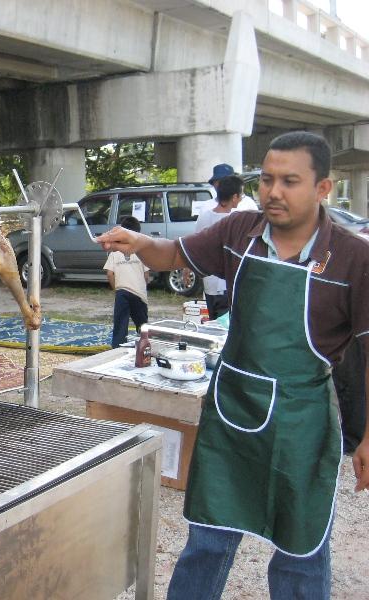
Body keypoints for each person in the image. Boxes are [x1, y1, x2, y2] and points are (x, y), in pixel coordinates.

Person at [97, 131, 369, 599]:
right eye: (266, 180)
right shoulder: (238, 231)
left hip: (301, 420)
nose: (274, 192)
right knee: (207, 536)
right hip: (231, 409)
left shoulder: (353, 257)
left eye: (290, 181)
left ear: (323, 188)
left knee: (301, 549)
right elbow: (175, 255)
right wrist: (140, 241)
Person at [194, 174, 243, 320]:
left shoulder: (204, 216)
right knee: (227, 329)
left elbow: (195, 244)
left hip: (209, 282)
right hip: (227, 285)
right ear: (234, 197)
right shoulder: (235, 220)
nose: (241, 198)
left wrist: (187, 268)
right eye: (241, 195)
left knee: (215, 326)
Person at [103, 216, 149, 348]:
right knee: (143, 326)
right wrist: (143, 284)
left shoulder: (115, 251)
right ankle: (145, 347)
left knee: (120, 325)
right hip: (139, 293)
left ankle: (117, 349)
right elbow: (146, 274)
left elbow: (110, 273)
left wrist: (116, 288)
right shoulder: (141, 250)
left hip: (122, 293)